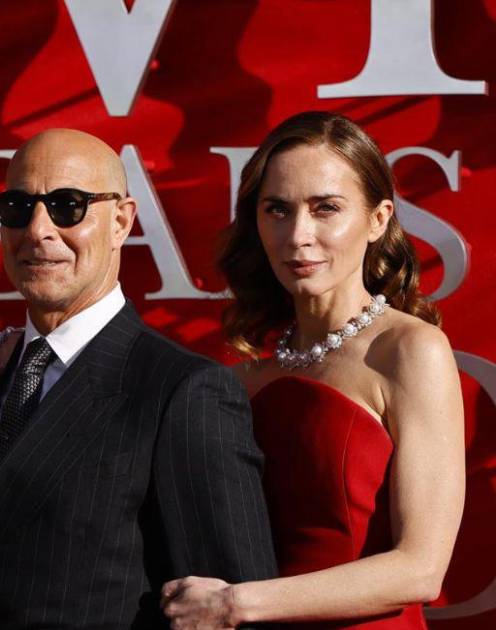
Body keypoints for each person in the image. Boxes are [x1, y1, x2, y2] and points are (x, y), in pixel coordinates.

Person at [0, 128, 277, 629]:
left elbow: (229, 609)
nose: (38, 229)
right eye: (18, 207)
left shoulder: (183, 391)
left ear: (121, 221)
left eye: (68, 206)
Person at [162, 111, 464, 629]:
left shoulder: (408, 350)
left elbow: (420, 569)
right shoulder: (242, 379)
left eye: (326, 208)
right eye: (277, 210)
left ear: (378, 219)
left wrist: (234, 604)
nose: (298, 235)